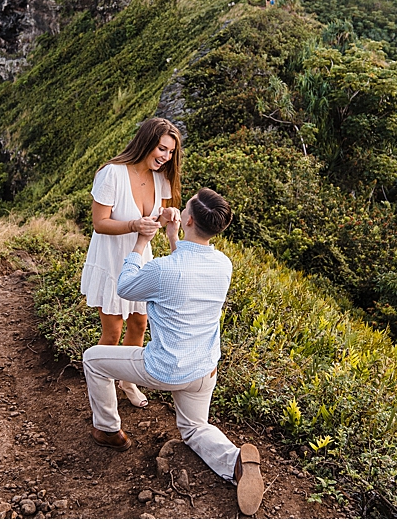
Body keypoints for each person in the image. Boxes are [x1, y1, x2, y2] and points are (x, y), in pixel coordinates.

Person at [82, 188, 264, 515]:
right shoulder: (223, 264)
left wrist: (141, 240)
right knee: (194, 428)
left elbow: (125, 287)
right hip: (203, 370)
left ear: (189, 219)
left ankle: (108, 428)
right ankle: (235, 461)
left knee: (93, 360)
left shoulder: (162, 270)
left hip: (164, 370)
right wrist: (171, 236)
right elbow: (185, 272)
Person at [79, 117, 183, 409]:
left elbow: (155, 219)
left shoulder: (160, 177)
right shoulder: (112, 173)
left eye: (171, 152)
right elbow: (100, 223)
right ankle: (102, 382)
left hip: (139, 258)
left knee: (140, 321)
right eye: (162, 148)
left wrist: (168, 215)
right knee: (112, 330)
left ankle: (128, 380)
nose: (165, 157)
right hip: (111, 259)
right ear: (146, 142)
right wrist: (134, 225)